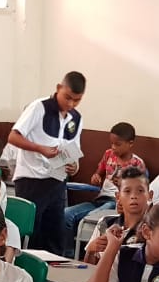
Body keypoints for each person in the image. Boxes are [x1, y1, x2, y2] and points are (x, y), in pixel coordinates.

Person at [8, 71, 86, 255]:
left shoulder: (76, 118)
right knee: (32, 235)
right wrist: (40, 148)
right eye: (67, 98)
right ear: (58, 88)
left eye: (77, 100)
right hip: (31, 181)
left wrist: (74, 166)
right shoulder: (38, 108)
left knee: (54, 235)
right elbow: (13, 136)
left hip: (57, 182)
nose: (71, 104)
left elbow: (74, 151)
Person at [63, 122, 147, 251]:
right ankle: (68, 252)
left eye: (118, 144)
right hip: (100, 198)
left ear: (130, 143)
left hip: (116, 203)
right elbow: (99, 173)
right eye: (111, 143)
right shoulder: (108, 155)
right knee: (67, 214)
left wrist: (121, 184)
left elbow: (139, 192)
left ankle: (89, 253)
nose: (113, 147)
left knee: (92, 216)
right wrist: (96, 176)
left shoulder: (136, 163)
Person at [82, 167, 149, 264]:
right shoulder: (105, 223)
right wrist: (91, 251)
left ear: (150, 195)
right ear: (118, 197)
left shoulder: (152, 229)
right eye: (127, 191)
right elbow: (89, 267)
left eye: (140, 191)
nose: (133, 196)